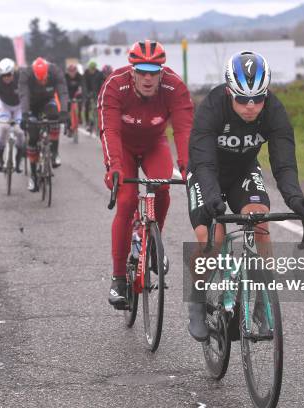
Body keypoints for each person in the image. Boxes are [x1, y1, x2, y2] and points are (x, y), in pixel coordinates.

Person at [185, 51, 304, 341]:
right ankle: (196, 302)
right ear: (228, 91)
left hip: (243, 170)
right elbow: (204, 162)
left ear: (266, 93)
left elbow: (283, 163)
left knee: (260, 223)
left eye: (257, 99)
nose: (251, 107)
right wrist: (211, 198)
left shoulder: (274, 110)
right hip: (205, 173)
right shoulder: (211, 108)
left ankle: (261, 299)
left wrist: (296, 199)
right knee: (213, 238)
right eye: (243, 99)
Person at [98, 40, 193, 307]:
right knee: (127, 201)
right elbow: (109, 130)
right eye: (142, 71)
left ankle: (152, 242)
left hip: (154, 144)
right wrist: (114, 166)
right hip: (123, 149)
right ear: (132, 71)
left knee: (162, 187)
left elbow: (184, 130)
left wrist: (188, 166)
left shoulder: (174, 87)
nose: (148, 77)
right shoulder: (115, 85)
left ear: (162, 71)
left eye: (154, 71)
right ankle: (118, 278)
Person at [18, 57, 69, 191]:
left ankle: (54, 153)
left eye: (44, 78)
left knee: (54, 118)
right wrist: (24, 115)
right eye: (39, 79)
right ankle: (34, 176)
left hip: (48, 101)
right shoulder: (25, 75)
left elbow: (62, 92)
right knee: (33, 138)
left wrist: (64, 111)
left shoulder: (55, 71)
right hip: (32, 105)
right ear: (34, 73)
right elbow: (24, 96)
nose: (42, 81)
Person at [0, 58, 27, 173]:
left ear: (13, 72)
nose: (6, 78)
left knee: (20, 132)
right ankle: (0, 158)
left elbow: (26, 95)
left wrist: (27, 112)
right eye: (3, 75)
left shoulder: (21, 79)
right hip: (4, 105)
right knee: (3, 128)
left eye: (9, 75)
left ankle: (18, 160)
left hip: (19, 106)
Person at [83, 60, 104, 133]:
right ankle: (88, 123)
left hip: (98, 92)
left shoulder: (99, 74)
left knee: (100, 108)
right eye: (91, 69)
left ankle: (101, 123)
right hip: (89, 92)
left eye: (93, 69)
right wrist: (87, 93)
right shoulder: (86, 73)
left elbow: (104, 82)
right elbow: (84, 84)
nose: (92, 70)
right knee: (87, 106)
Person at [65, 63, 83, 130]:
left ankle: (80, 116)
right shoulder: (65, 77)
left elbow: (82, 86)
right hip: (68, 94)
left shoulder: (79, 76)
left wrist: (81, 91)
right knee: (67, 108)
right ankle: (68, 124)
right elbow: (63, 87)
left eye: (73, 71)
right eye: (70, 71)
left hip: (77, 93)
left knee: (80, 104)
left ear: (76, 71)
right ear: (68, 71)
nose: (72, 73)